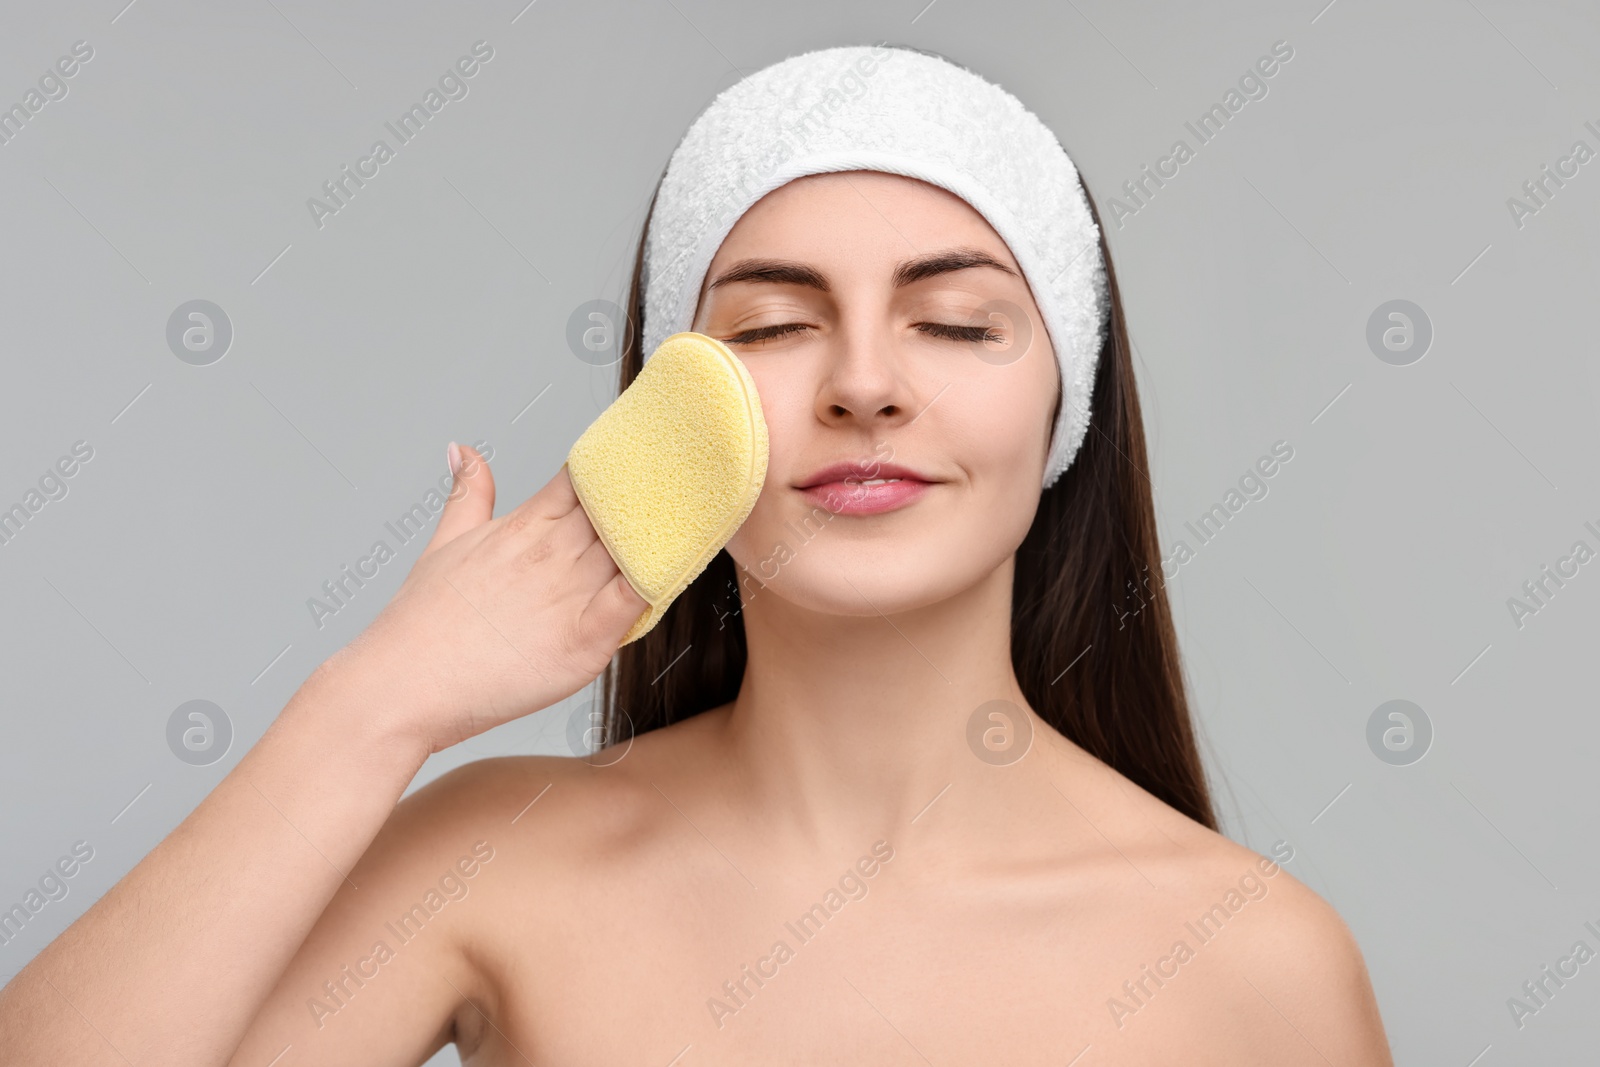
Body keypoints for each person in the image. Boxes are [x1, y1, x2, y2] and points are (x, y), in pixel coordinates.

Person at [0, 43, 1392, 1065]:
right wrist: (378, 703)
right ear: (673, 421)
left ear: (1063, 404)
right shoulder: (494, 861)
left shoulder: (1253, 964)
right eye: (774, 325)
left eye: (957, 324)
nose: (863, 384)